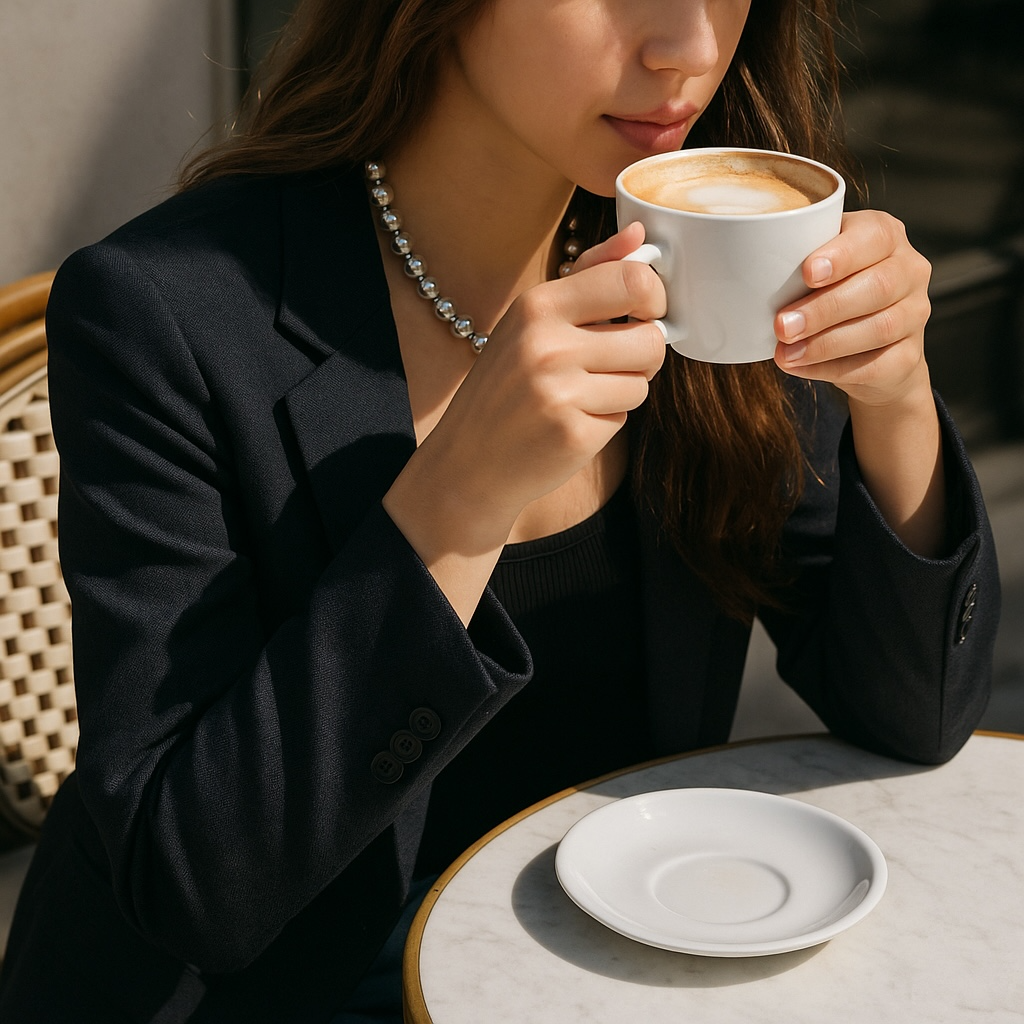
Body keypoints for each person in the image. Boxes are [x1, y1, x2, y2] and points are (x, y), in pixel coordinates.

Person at [0, 0, 1000, 1021]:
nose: (689, 49)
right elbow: (194, 888)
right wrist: (456, 502)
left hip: (594, 977)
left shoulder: (707, 244)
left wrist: (895, 397)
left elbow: (910, 718)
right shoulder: (163, 312)